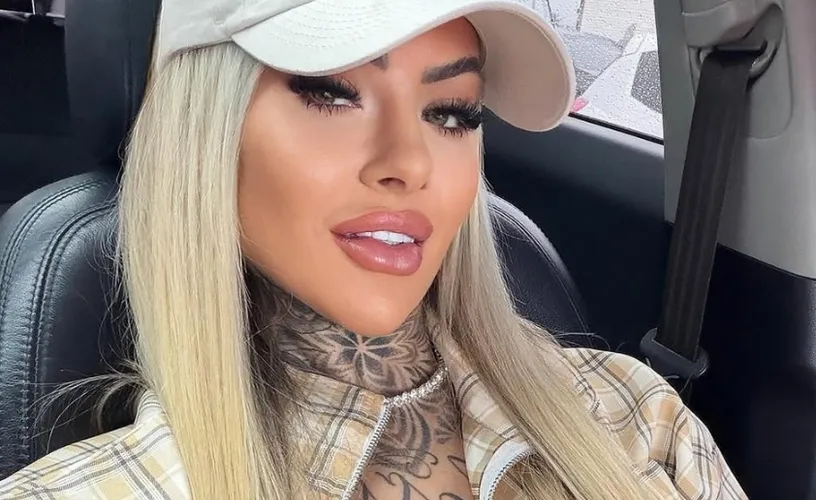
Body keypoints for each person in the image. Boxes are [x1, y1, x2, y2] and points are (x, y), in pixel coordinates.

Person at [0, 0, 746, 499]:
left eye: (451, 112)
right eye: (332, 92)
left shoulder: (635, 416)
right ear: (202, 124)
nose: (410, 163)